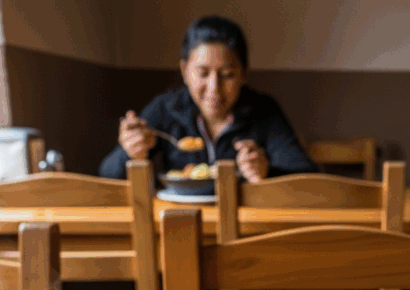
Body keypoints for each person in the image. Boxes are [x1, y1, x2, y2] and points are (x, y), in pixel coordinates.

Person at [99, 15, 316, 183]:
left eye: (227, 75)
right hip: (180, 224)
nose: (214, 88)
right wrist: (129, 153)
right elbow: (107, 175)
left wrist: (266, 171)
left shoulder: (264, 110)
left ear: (244, 74)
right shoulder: (166, 107)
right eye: (203, 73)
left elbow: (307, 178)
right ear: (185, 71)